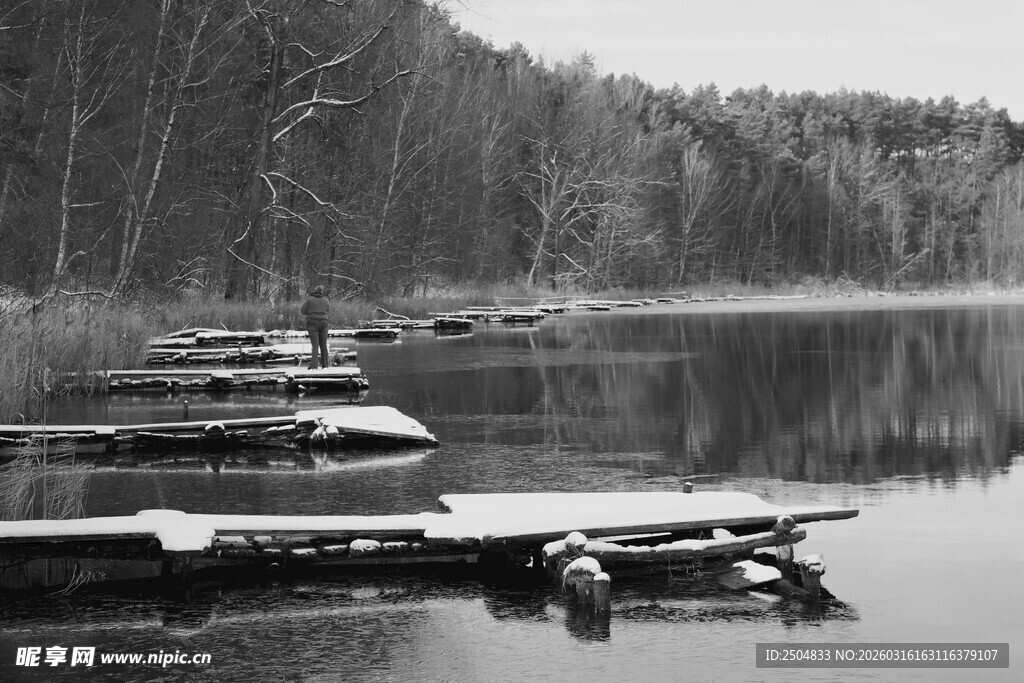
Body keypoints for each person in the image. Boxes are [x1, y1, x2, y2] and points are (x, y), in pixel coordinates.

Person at [300, 285, 330, 369]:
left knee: (315, 345)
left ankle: (314, 366)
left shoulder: (310, 299)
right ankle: (325, 365)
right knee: (323, 345)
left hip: (312, 322)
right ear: (322, 292)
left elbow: (302, 311)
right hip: (324, 323)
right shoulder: (326, 300)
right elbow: (327, 310)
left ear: (315, 291)